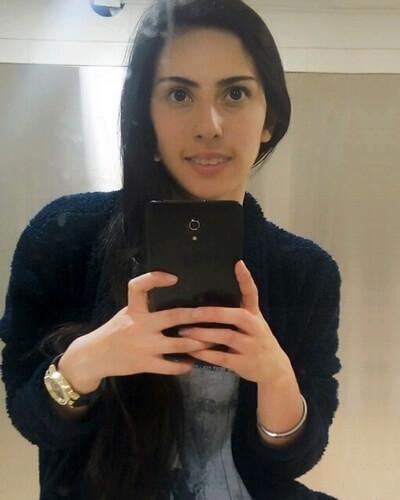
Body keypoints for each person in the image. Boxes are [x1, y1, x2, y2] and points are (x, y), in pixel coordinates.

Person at [0, 1, 341, 499]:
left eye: (236, 93)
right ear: (147, 116)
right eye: (179, 94)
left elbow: (293, 458)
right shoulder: (62, 235)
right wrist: (88, 362)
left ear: (269, 117)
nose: (210, 125)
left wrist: (274, 375)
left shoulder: (307, 271)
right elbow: (32, 418)